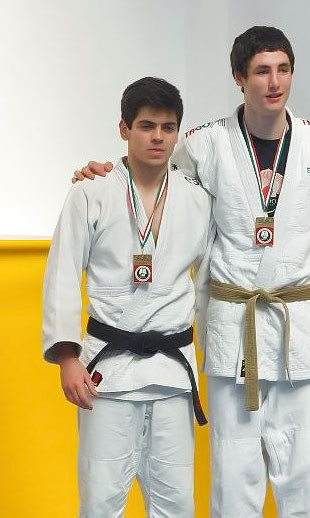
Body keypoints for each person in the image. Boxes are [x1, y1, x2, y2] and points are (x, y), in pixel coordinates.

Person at [72, 26, 310, 517]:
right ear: (239, 77)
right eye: (262, 71)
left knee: (305, 470)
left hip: (298, 331)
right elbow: (155, 187)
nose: (275, 82)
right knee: (235, 471)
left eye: (284, 70)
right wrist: (108, 173)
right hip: (234, 328)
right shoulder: (204, 145)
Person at [42, 77, 214, 517]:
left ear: (178, 133)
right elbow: (62, 274)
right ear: (124, 129)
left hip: (172, 372)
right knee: (101, 501)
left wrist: (213, 358)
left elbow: (208, 283)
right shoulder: (90, 192)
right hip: (107, 372)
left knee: (177, 503)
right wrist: (67, 358)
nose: (158, 137)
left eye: (168, 128)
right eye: (146, 126)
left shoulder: (197, 199)